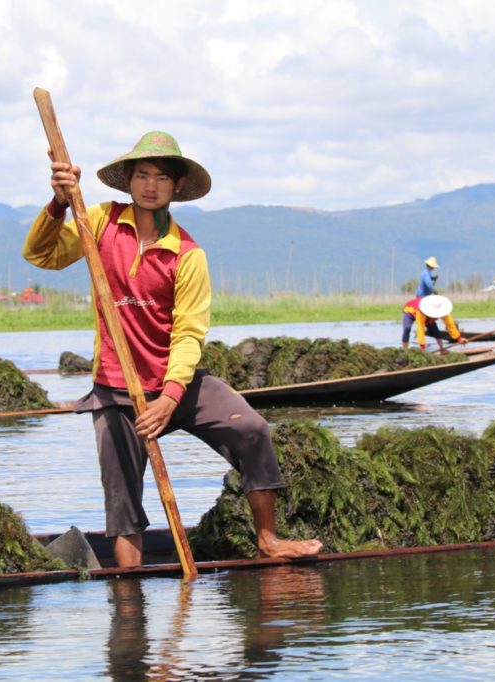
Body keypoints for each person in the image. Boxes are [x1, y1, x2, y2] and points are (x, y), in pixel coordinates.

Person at [23, 131, 322, 567]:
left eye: (161, 177)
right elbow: (40, 254)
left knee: (252, 430)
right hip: (115, 387)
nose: (150, 185)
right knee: (122, 499)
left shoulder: (187, 253)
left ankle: (269, 539)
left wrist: (169, 397)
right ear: (128, 180)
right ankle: (130, 585)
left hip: (175, 386)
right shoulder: (102, 221)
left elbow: (187, 334)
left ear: (176, 187)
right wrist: (58, 203)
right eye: (142, 175)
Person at [402, 294, 467, 352]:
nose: (436, 318)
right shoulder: (421, 311)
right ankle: (405, 350)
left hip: (427, 316)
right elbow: (420, 329)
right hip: (410, 311)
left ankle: (442, 349)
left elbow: (450, 324)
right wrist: (423, 347)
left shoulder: (443, 310)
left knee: (435, 330)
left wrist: (459, 338)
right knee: (407, 328)